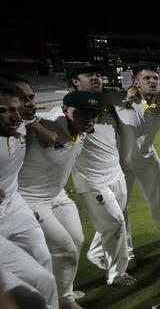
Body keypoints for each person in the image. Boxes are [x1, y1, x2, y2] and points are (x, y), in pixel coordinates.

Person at [18, 90, 104, 309]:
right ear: (65, 110)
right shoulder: (47, 126)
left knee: (76, 240)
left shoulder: (84, 131)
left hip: (57, 195)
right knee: (64, 248)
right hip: (29, 198)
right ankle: (64, 300)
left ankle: (63, 288)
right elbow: (15, 121)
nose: (89, 119)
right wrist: (33, 125)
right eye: (82, 114)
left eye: (94, 114)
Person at [60, 64, 136, 286]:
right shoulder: (67, 108)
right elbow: (35, 122)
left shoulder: (104, 104)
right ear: (75, 81)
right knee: (116, 222)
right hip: (92, 180)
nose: (96, 77)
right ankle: (117, 274)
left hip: (116, 173)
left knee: (112, 222)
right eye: (89, 75)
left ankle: (95, 253)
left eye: (98, 74)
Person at [113, 65, 160, 251]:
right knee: (121, 208)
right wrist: (129, 92)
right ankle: (127, 251)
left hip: (148, 160)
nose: (153, 81)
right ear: (136, 82)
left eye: (156, 78)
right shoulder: (120, 101)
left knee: (158, 203)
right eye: (147, 78)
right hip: (120, 165)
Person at [0, 83, 58, 309]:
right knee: (25, 296)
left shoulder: (22, 124)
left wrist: (38, 127)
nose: (16, 117)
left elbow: (28, 118)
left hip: (15, 209)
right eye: (4, 110)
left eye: (17, 108)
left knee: (45, 275)